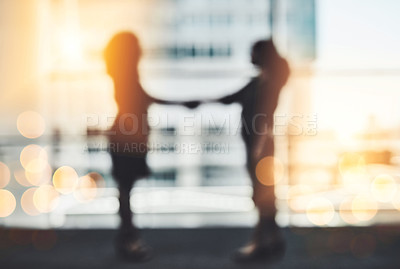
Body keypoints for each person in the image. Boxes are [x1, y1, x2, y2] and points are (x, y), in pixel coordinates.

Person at [103, 32, 198, 262]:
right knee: (126, 190)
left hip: (127, 136)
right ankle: (128, 240)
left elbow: (142, 100)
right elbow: (142, 100)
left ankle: (128, 238)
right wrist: (181, 104)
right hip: (129, 138)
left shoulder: (123, 75)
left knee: (125, 190)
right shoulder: (126, 77)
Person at [207, 39, 290, 262]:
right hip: (256, 145)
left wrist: (259, 146)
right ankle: (273, 240)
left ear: (262, 55)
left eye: (252, 53)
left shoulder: (270, 83)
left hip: (261, 147)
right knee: (265, 194)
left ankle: (260, 244)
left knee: (262, 194)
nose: (249, 57)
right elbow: (229, 98)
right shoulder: (257, 82)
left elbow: (266, 115)